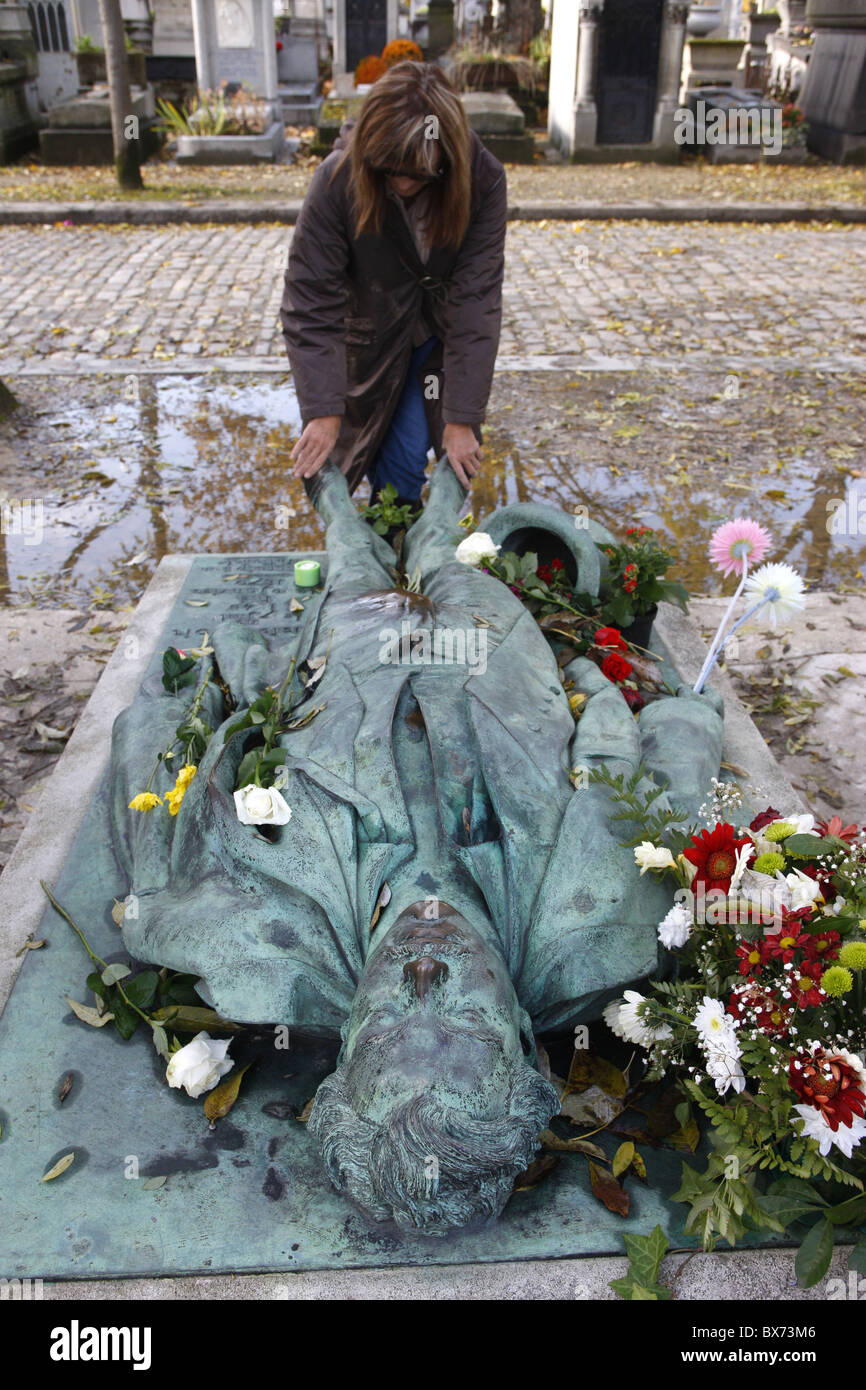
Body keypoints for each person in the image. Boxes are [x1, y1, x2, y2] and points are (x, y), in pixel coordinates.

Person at [108, 458, 732, 1235]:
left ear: (345, 1049)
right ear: (525, 1051)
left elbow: (148, 760)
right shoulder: (613, 914)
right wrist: (600, 687)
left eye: (391, 1019)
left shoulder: (239, 944)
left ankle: (338, 499)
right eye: (465, 1016)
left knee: (350, 565)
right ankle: (444, 501)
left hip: (350, 664)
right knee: (445, 557)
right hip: (487, 657)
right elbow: (672, 747)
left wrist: (224, 705)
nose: (425, 967)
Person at [280, 60, 508, 509]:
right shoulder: (336, 179)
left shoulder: (482, 181)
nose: (403, 183)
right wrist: (323, 409)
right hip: (368, 338)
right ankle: (383, 551)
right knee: (366, 456)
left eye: (419, 175)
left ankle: (405, 549)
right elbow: (310, 300)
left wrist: (461, 418)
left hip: (434, 339)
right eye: (389, 171)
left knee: (405, 456)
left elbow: (475, 303)